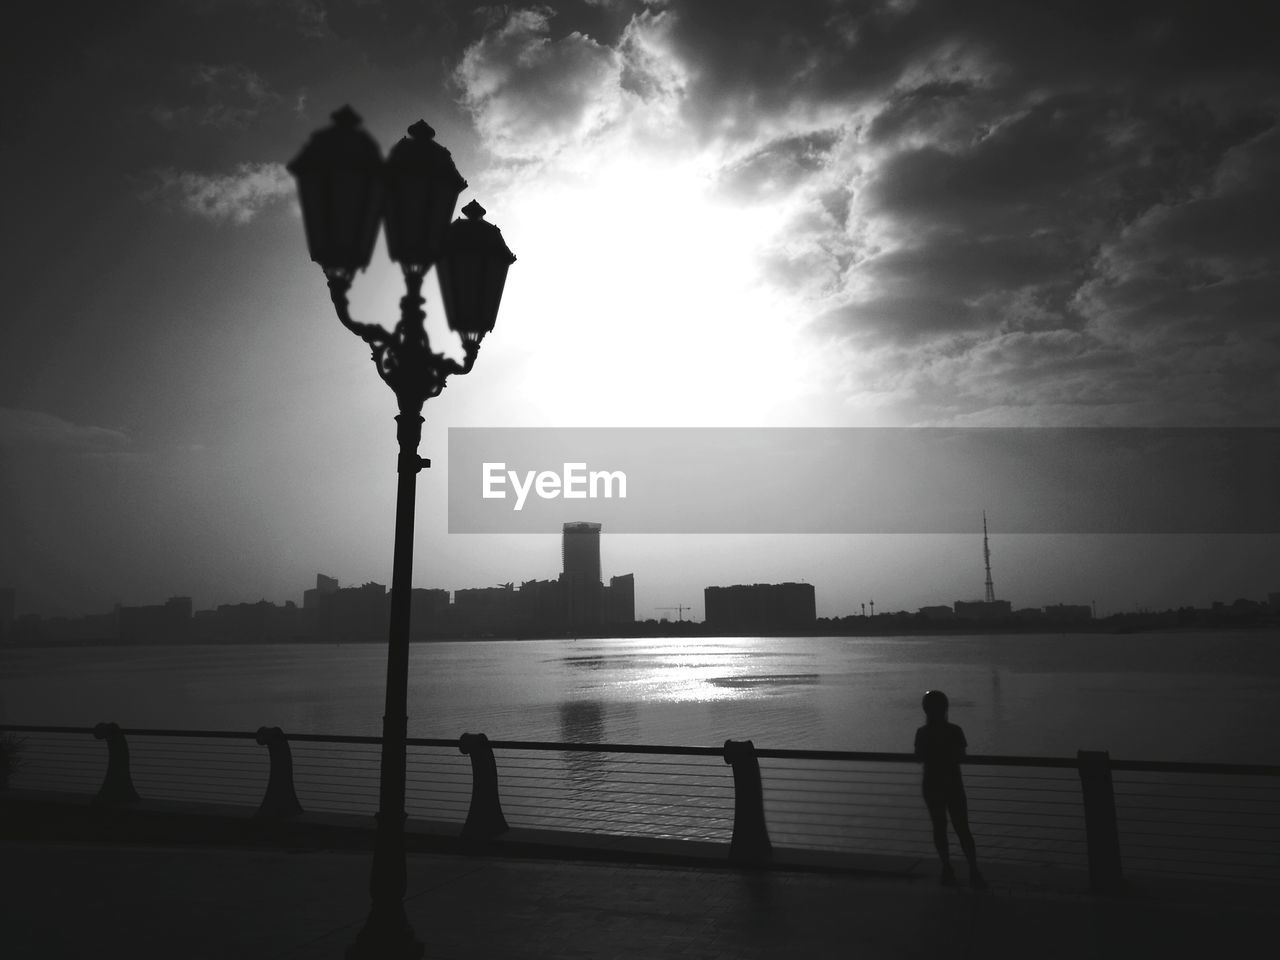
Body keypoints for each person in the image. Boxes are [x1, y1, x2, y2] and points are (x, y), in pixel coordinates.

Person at [914, 689, 985, 888]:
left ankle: (946, 867)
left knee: (939, 827)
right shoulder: (955, 730)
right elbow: (961, 756)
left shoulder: (922, 732)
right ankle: (973, 869)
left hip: (931, 785)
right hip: (953, 784)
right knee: (962, 827)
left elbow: (918, 757)